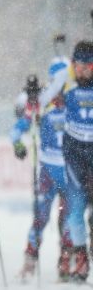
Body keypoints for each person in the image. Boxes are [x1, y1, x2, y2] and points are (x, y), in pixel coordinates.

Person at [12, 58, 76, 282]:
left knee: (69, 219)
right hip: (48, 171)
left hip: (70, 171)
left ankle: (67, 262)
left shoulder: (74, 99)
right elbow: (19, 123)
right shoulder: (41, 102)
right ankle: (29, 263)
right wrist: (17, 143)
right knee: (40, 218)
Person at [62, 41, 93, 282]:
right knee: (74, 215)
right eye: (78, 65)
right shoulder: (66, 86)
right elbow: (41, 101)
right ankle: (80, 260)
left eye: (88, 65)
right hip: (74, 157)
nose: (83, 69)